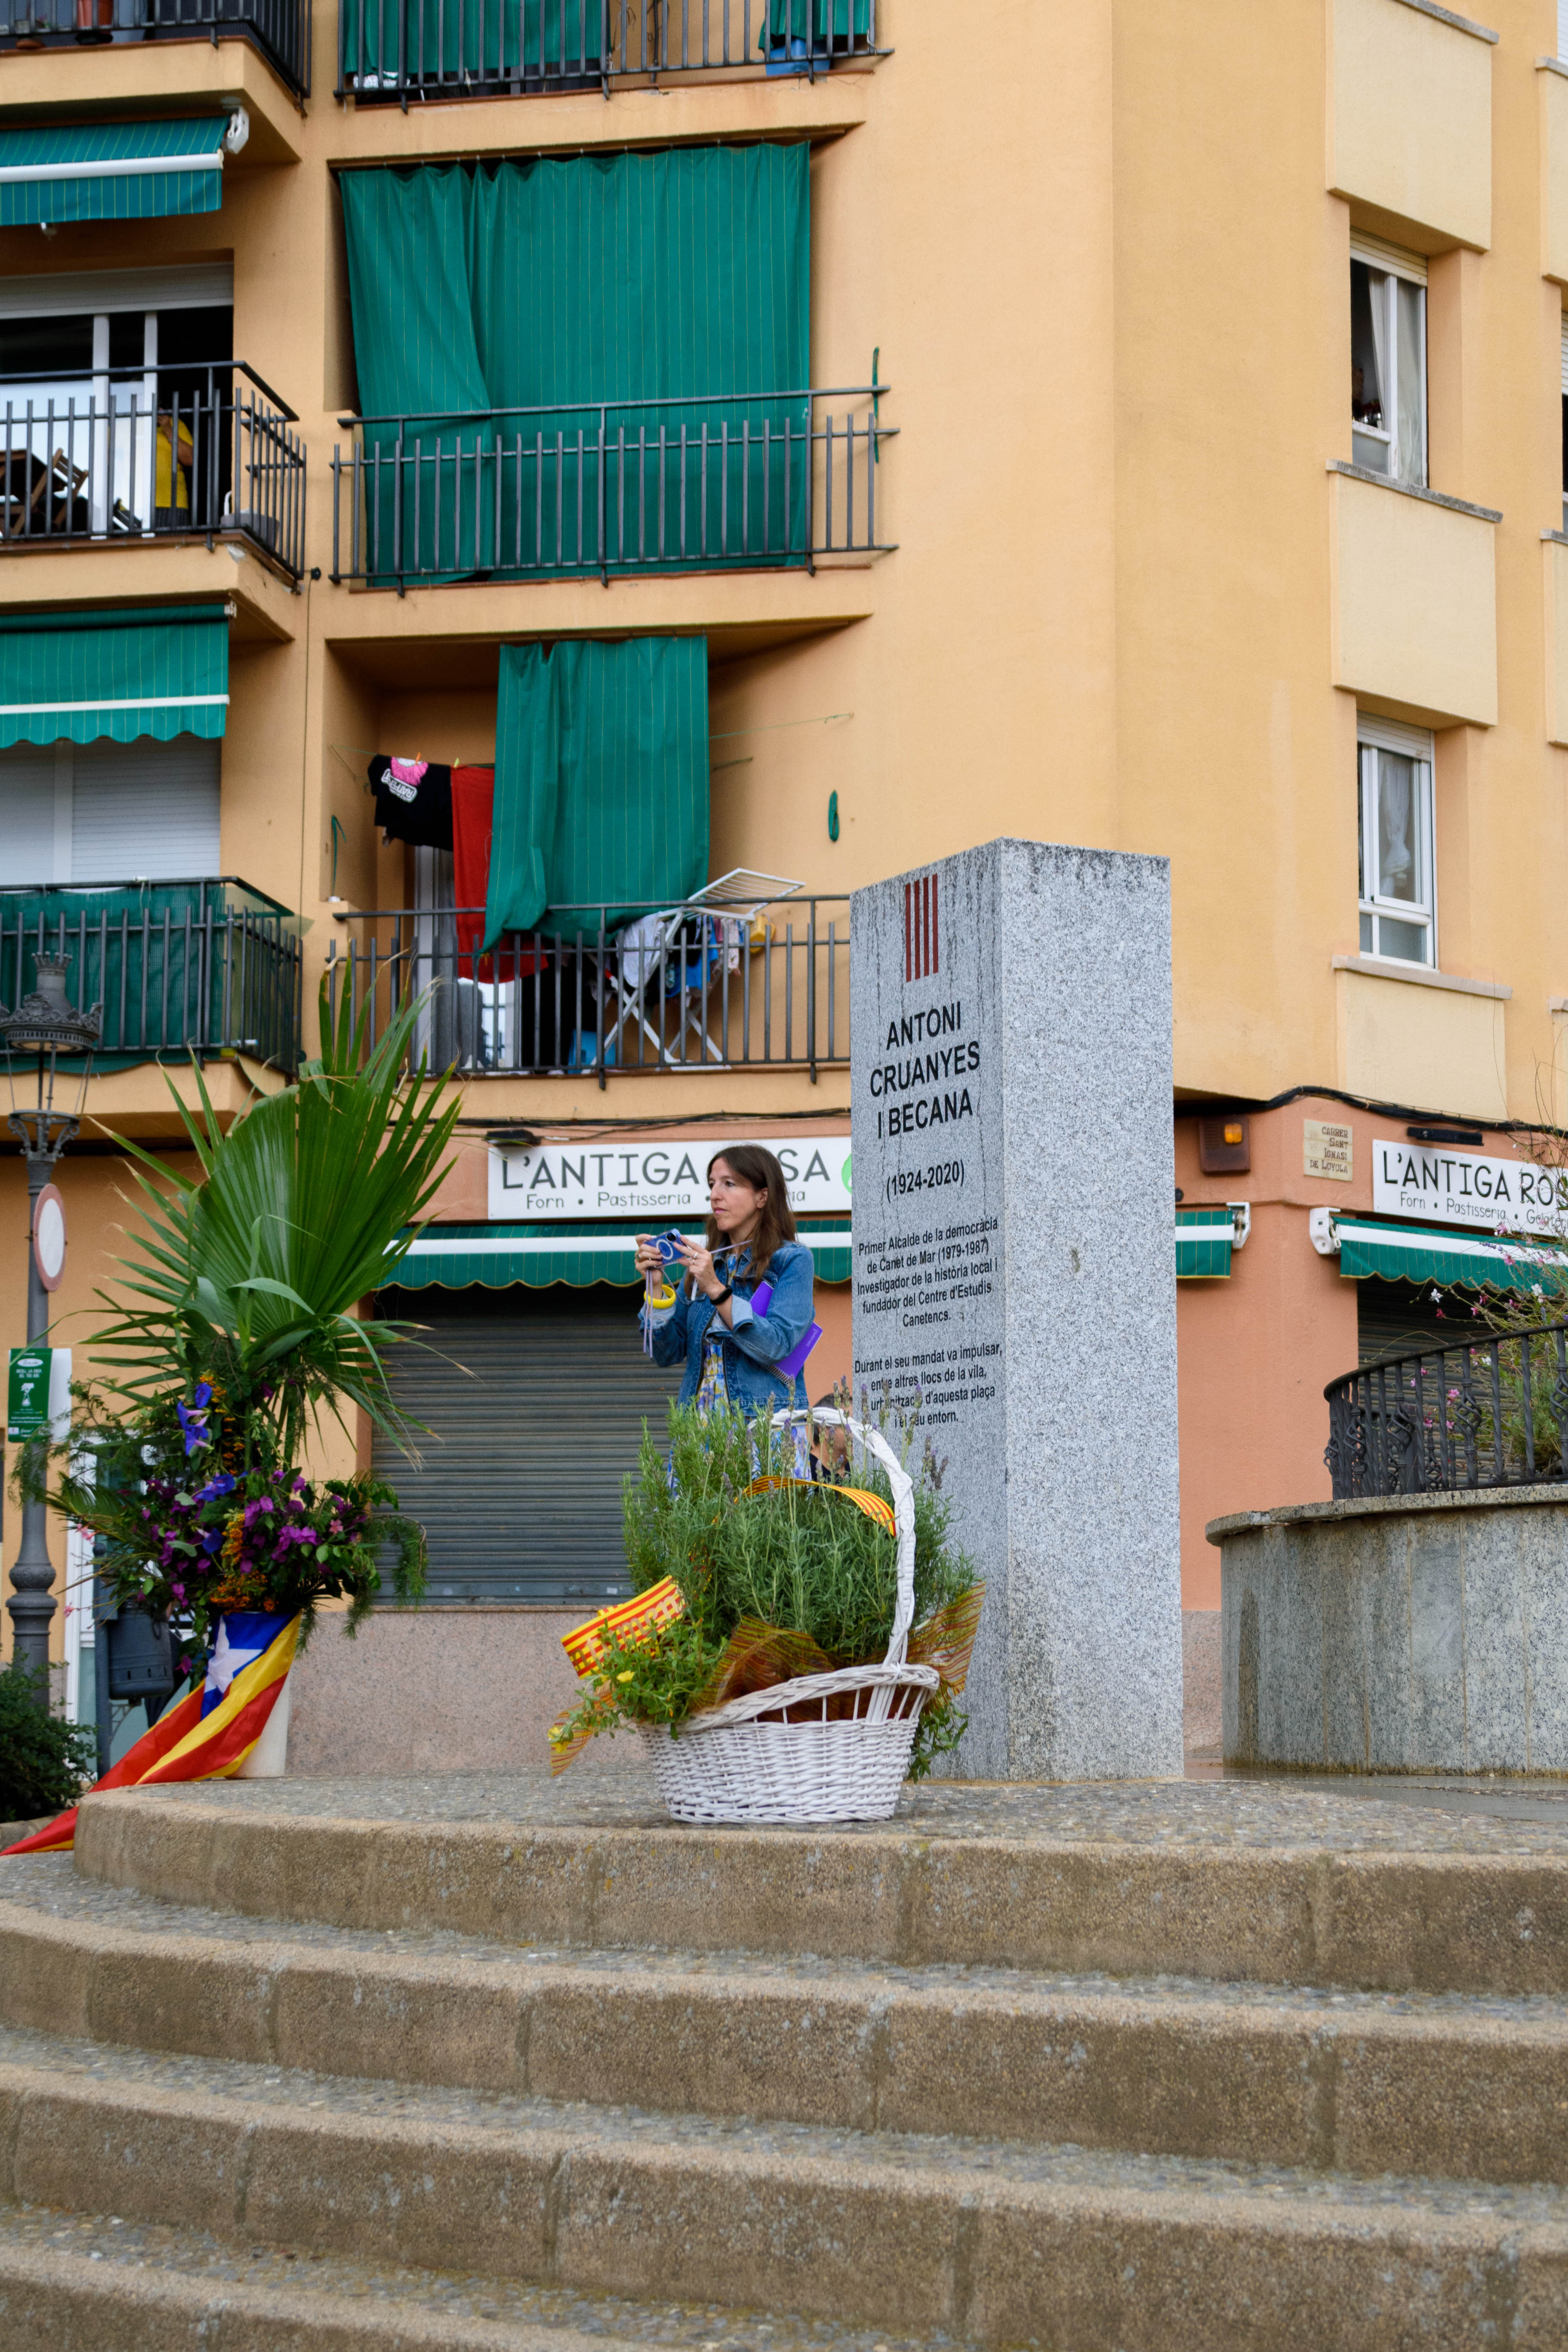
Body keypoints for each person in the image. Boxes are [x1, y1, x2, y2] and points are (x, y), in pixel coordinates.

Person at [634, 1147, 816, 1434]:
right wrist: (655, 1288)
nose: (715, 1195)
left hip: (761, 1430)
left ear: (762, 1196)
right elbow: (666, 1353)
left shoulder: (792, 1260)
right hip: (698, 1434)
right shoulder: (708, 1265)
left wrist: (717, 1290)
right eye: (712, 1184)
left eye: (729, 1184)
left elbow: (778, 1345)